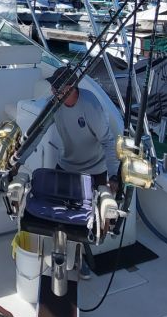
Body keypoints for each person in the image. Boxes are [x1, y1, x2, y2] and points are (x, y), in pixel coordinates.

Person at [46, 67, 121, 276]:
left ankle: (81, 257)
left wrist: (113, 176)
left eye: (57, 88)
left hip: (94, 169)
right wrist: (18, 158)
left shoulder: (89, 105)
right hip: (67, 165)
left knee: (87, 219)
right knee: (56, 212)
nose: (53, 91)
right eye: (52, 87)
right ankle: (59, 253)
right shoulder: (54, 105)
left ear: (71, 89)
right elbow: (38, 131)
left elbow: (107, 141)